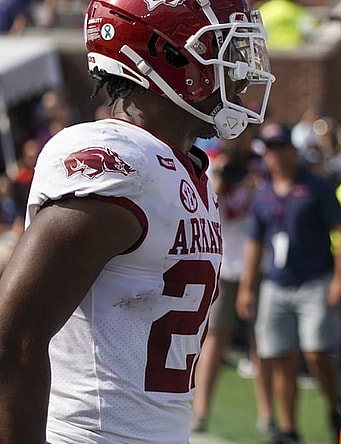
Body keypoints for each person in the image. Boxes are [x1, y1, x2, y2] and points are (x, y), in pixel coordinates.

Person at [0, 0, 274, 441]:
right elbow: (11, 337)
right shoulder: (121, 165)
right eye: (222, 47)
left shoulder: (182, 167)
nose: (238, 69)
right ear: (164, 54)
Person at [237, 122, 341, 444]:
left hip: (314, 278)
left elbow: (339, 233)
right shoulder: (265, 193)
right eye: (268, 151)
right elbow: (254, 242)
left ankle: (333, 406)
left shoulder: (316, 186)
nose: (273, 157)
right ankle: (289, 429)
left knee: (315, 352)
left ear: (291, 150)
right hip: (276, 282)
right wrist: (247, 287)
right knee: (281, 355)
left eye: (278, 149)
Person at [191, 124, 279, 440]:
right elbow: (214, 208)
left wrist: (256, 186)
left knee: (262, 341)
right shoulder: (212, 160)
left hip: (258, 263)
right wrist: (221, 181)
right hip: (226, 263)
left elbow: (272, 202)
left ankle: (268, 415)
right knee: (216, 337)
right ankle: (199, 411)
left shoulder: (260, 163)